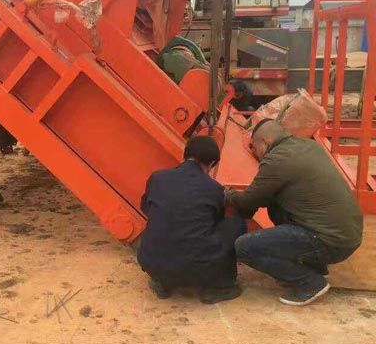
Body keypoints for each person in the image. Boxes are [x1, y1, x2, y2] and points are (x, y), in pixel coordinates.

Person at [227, 120, 363, 306]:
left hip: (329, 239)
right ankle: (313, 264)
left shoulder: (277, 159)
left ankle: (310, 283)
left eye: (254, 146)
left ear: (265, 142)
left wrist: (228, 194)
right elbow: (263, 197)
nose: (254, 151)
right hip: (348, 234)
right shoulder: (308, 146)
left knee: (244, 247)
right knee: (275, 204)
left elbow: (248, 201)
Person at [138, 136, 246, 304]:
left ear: (185, 155)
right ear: (211, 164)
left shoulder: (157, 178)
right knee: (235, 223)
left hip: (151, 263)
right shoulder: (214, 189)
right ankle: (219, 286)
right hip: (195, 269)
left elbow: (146, 208)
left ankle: (162, 283)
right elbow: (213, 224)